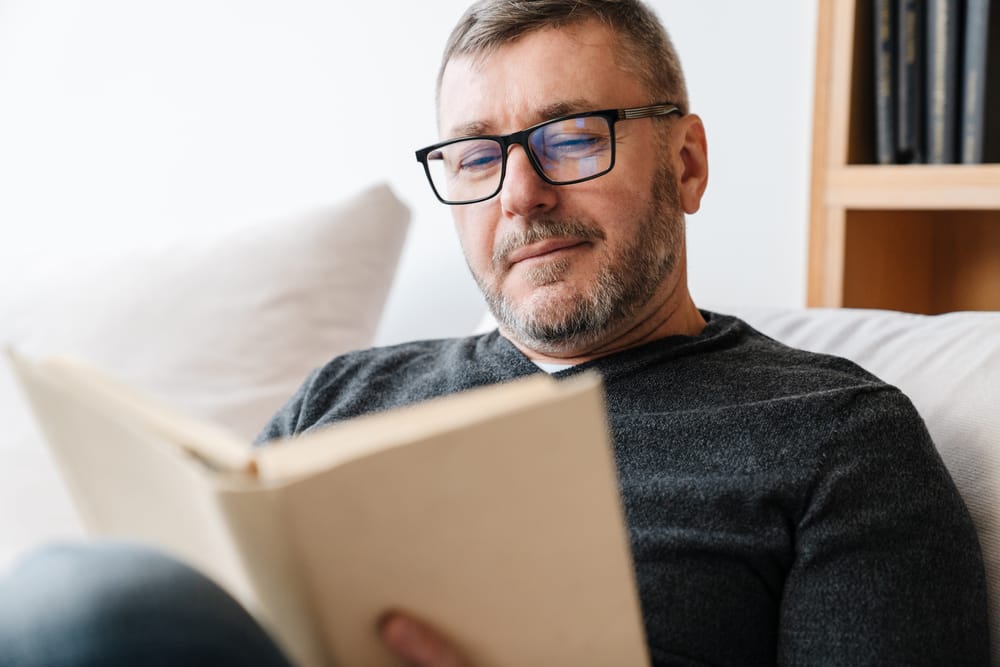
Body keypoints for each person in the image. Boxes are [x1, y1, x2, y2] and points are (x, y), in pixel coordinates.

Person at [0, 1, 990, 665]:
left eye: (570, 137)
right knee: (74, 587)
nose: (520, 194)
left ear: (685, 163)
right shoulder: (346, 394)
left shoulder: (836, 436)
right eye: (477, 155)